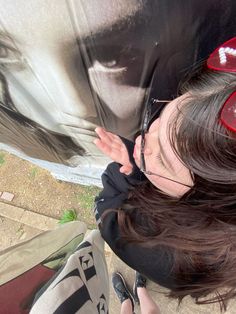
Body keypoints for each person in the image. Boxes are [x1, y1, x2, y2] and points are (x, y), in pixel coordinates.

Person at [93, 37, 236, 311]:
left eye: (161, 158)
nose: (141, 139)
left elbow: (109, 215)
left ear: (210, 205)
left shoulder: (166, 260)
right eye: (157, 123)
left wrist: (123, 174)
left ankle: (132, 297)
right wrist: (140, 166)